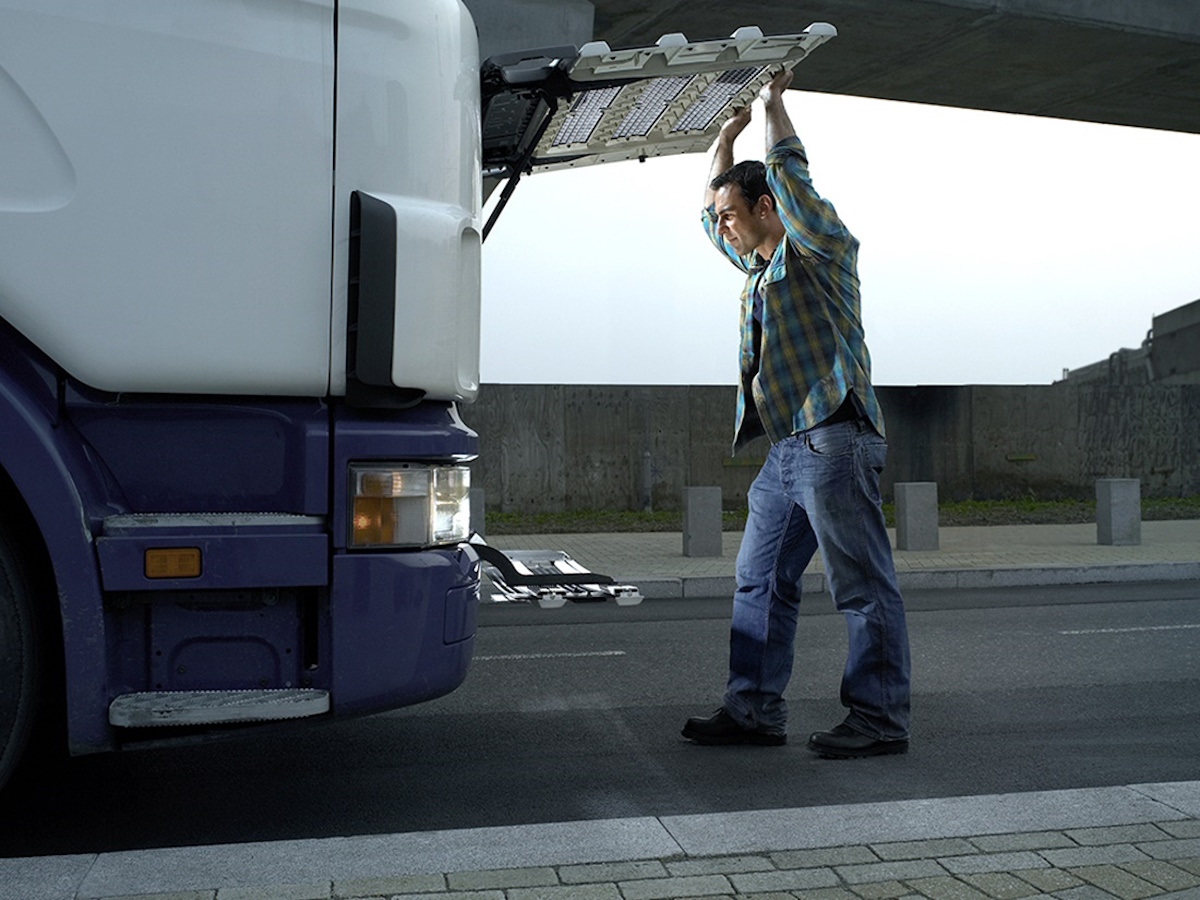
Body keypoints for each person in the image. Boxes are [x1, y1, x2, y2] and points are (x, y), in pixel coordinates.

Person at [681, 68, 911, 759]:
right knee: (759, 579)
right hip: (788, 451)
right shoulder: (759, 265)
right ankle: (752, 711)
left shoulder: (821, 251)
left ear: (768, 206)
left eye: (734, 213)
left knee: (861, 587)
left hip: (834, 438)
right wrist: (725, 137)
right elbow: (705, 214)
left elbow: (794, 181)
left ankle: (878, 720)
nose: (722, 226)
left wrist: (772, 106)